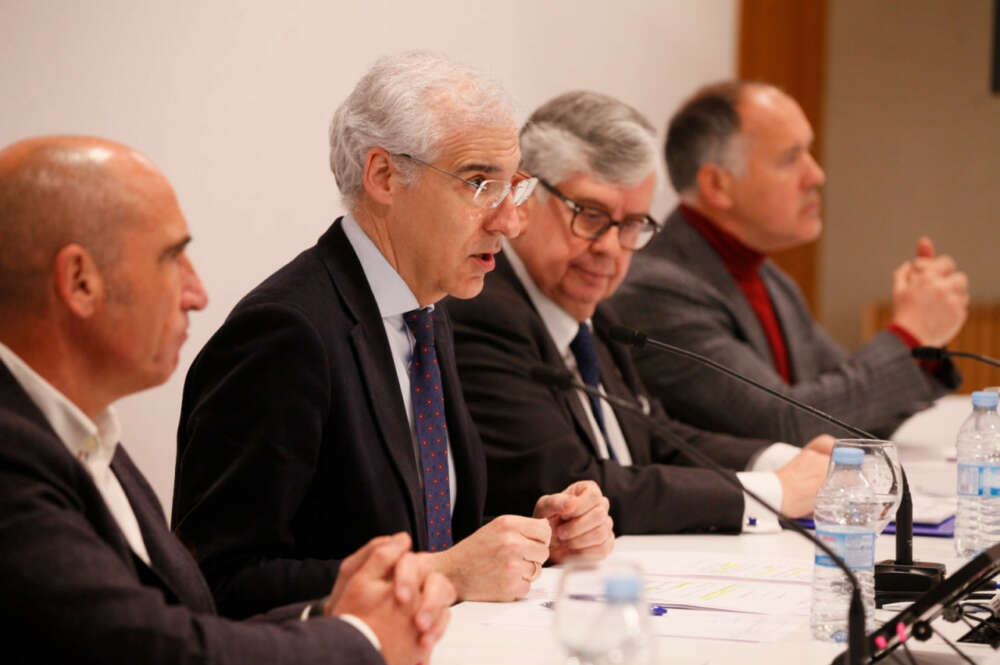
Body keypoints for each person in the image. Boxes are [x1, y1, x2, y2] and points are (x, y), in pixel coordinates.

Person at [172, 52, 614, 620]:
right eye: (480, 184)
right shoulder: (286, 332)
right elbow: (218, 579)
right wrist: (443, 573)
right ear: (383, 176)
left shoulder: (424, 312)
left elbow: (422, 530)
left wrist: (538, 540)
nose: (508, 220)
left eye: (514, 188)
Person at [0, 135, 455, 665]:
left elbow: (190, 623)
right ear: (81, 282)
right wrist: (363, 639)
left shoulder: (83, 434)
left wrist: (334, 611)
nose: (197, 293)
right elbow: (143, 650)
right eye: (173, 258)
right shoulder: (12, 455)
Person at [446, 91, 833, 536]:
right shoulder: (484, 313)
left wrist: (784, 461)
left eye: (632, 224)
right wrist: (773, 492)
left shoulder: (594, 314)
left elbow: (653, 438)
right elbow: (574, 487)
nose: (610, 248)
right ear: (524, 198)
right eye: (590, 215)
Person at [610, 81, 967, 443]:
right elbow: (784, 424)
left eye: (808, 153)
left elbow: (853, 412)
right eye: (790, 158)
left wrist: (927, 338)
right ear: (718, 185)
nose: (816, 175)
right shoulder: (657, 290)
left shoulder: (772, 280)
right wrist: (909, 335)